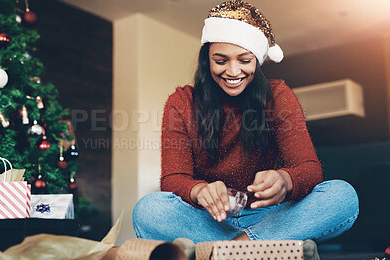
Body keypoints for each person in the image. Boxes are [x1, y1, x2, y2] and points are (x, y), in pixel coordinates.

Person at [132, 0, 359, 244]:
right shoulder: (181, 102)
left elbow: (309, 169)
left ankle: (235, 249)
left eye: (244, 60)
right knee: (148, 210)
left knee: (342, 196)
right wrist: (199, 191)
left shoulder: (278, 96)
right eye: (220, 61)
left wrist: (285, 180)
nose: (232, 71)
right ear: (206, 60)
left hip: (271, 218)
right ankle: (262, 249)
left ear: (257, 61)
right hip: (210, 220)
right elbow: (173, 178)